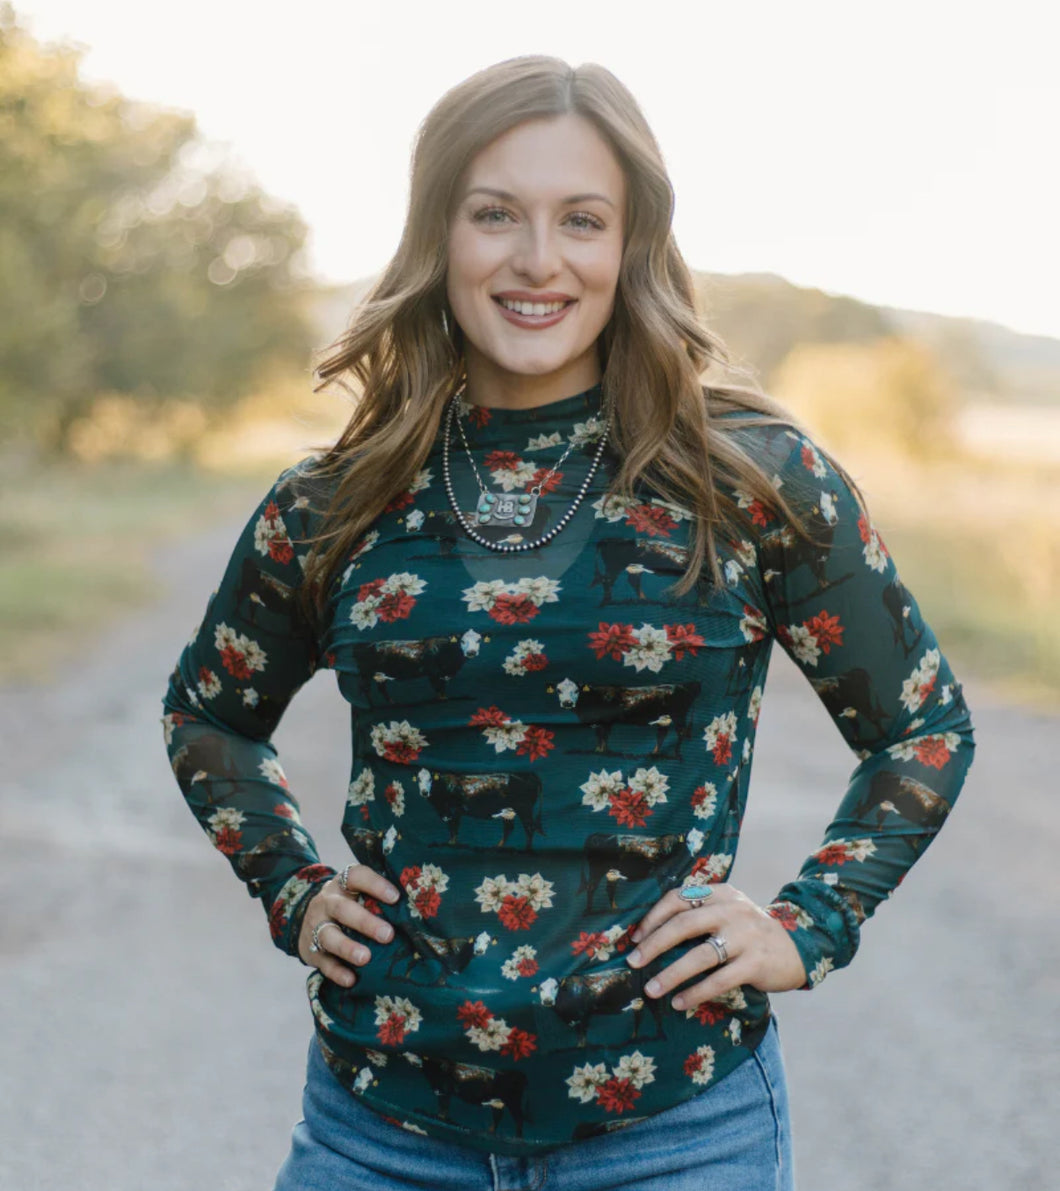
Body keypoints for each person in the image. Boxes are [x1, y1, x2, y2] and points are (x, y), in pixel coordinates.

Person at [161, 55, 975, 1191]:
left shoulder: (750, 480)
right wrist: (290, 888)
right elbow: (208, 715)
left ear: (630, 245)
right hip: (380, 1129)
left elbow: (922, 727)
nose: (538, 260)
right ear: (438, 235)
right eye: (495, 213)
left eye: (581, 220)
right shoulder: (334, 501)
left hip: (677, 1130)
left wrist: (809, 923)